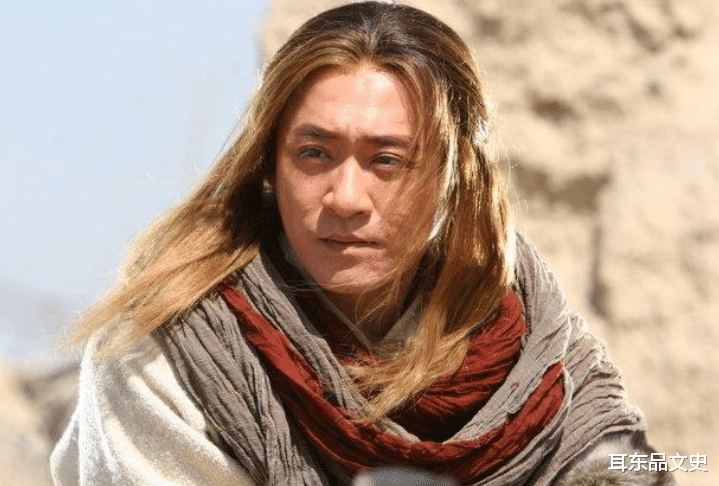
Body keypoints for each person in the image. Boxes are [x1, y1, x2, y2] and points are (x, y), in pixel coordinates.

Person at [51, 2, 677, 485]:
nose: (346, 197)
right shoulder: (163, 357)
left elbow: (638, 464)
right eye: (314, 154)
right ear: (269, 165)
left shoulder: (533, 336)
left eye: (388, 160)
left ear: (453, 178)